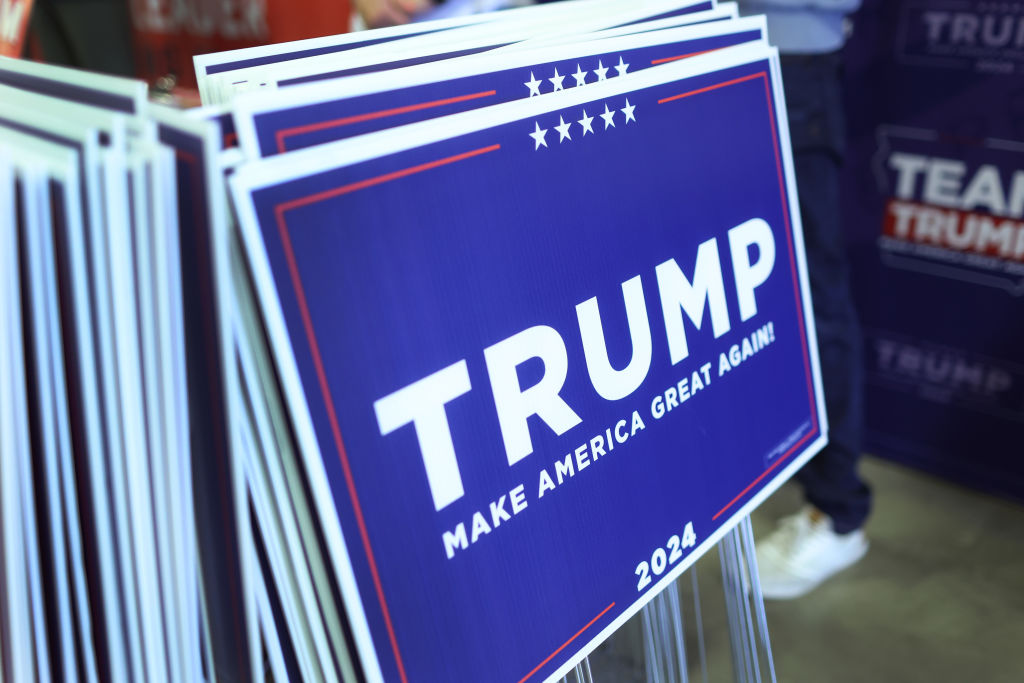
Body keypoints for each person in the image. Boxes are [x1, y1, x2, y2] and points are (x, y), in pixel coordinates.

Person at [736, 0, 872, 599]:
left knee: (811, 297)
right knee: (711, 286)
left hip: (785, 57)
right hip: (679, 43)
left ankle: (835, 509)